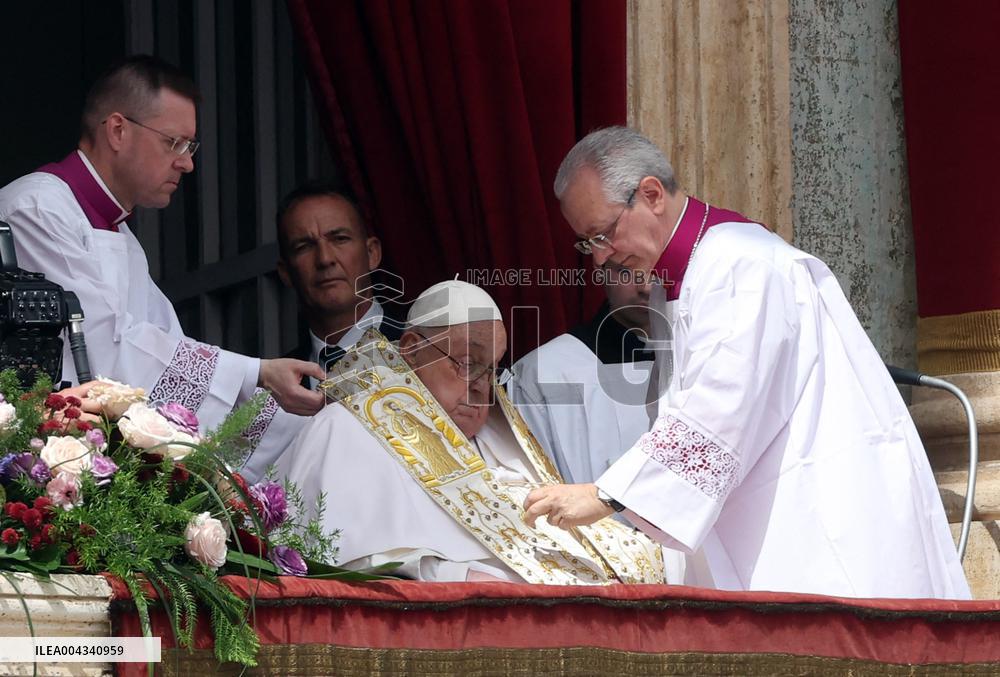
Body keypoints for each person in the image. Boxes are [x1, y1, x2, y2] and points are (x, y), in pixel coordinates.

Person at [523, 126, 970, 599]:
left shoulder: (740, 264)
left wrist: (606, 495)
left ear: (650, 194)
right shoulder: (677, 282)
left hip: (820, 528)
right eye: (586, 243)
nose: (599, 259)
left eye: (603, 234)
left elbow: (719, 408)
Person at [0, 56, 324, 480]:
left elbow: (167, 348)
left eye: (190, 147)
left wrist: (280, 402)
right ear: (118, 130)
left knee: (316, 432)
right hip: (42, 462)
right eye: (175, 142)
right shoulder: (37, 208)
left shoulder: (123, 237)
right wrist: (255, 373)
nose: (187, 162)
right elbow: (103, 350)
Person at [276, 280, 670, 584]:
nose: (482, 385)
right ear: (412, 349)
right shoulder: (346, 429)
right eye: (466, 363)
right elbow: (339, 561)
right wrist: (458, 577)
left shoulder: (502, 443)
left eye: (492, 368)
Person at [509, 266, 656, 484]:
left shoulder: (704, 360)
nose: (646, 288)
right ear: (601, 266)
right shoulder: (544, 373)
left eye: (659, 271)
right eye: (626, 270)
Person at [276, 182, 404, 387]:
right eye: (304, 247)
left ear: (372, 253)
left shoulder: (430, 354)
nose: (325, 259)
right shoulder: (271, 391)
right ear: (285, 272)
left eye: (340, 239)